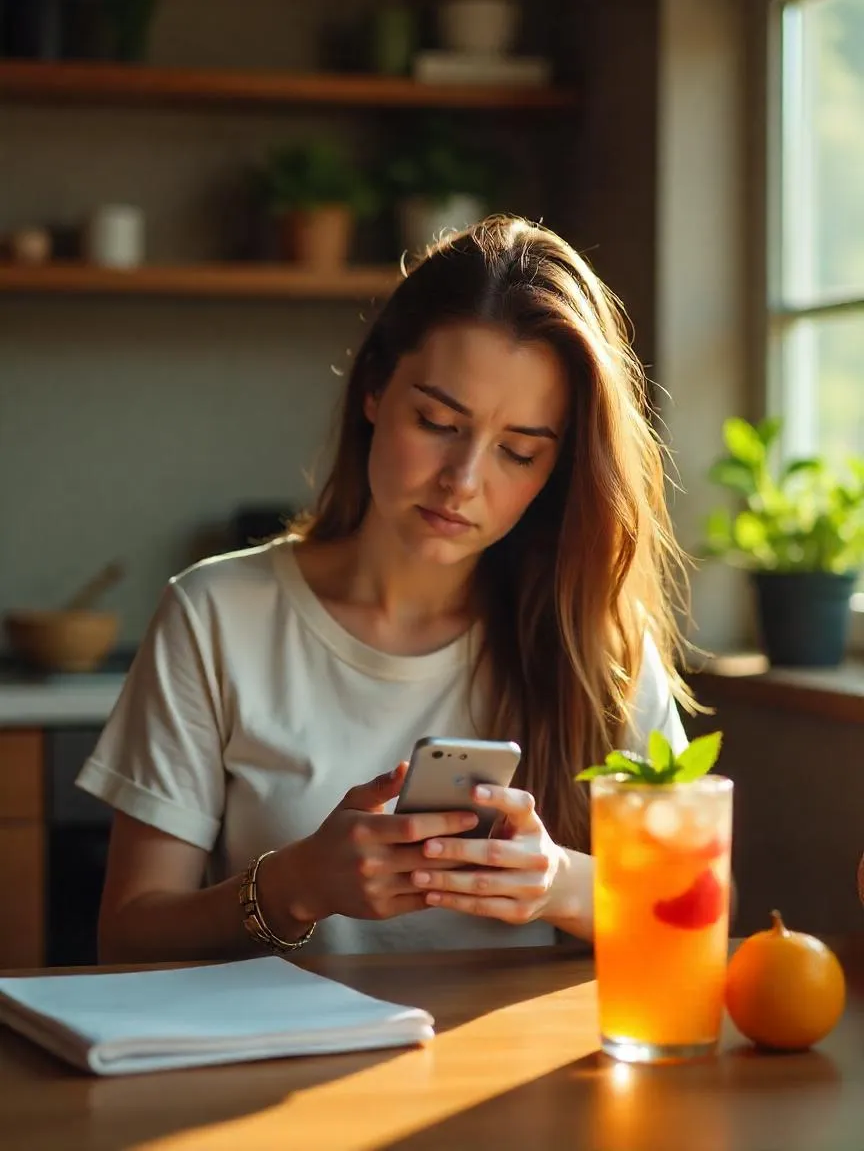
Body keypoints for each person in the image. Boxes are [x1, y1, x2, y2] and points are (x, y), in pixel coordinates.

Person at [77, 215, 694, 963]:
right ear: (374, 389)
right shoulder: (216, 617)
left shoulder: (596, 638)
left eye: (518, 452)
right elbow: (127, 938)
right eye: (438, 422)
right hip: (278, 1069)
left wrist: (559, 885)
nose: (463, 482)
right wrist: (295, 886)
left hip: (516, 1075)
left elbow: (688, 915)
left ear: (556, 472)